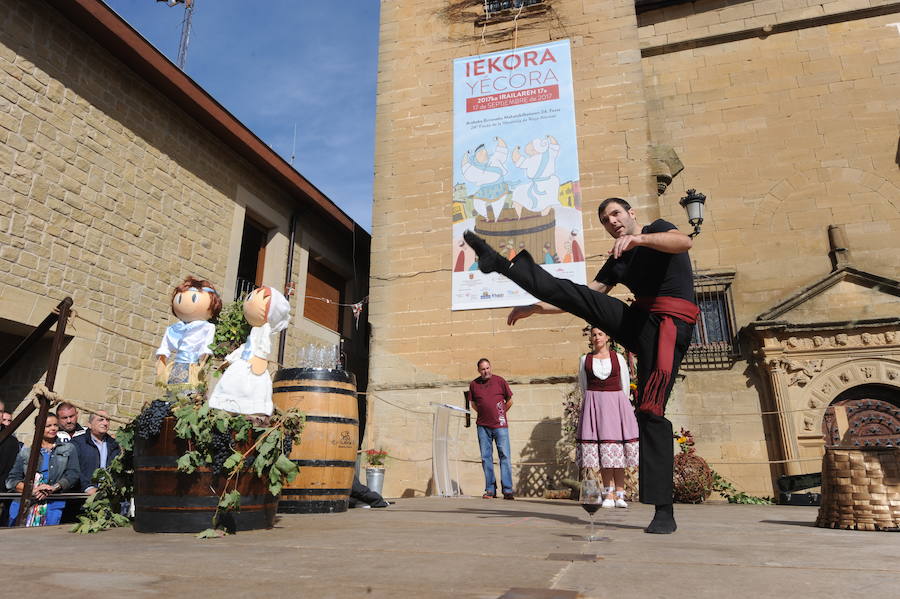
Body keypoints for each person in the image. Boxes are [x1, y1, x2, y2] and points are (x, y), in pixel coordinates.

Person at [464, 196, 698, 534]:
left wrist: (640, 239)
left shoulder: (656, 231)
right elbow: (585, 296)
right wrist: (537, 308)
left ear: (630, 214)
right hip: (640, 320)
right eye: (605, 219)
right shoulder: (619, 258)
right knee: (578, 297)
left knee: (650, 412)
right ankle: (502, 264)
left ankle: (664, 511)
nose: (612, 222)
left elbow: (683, 241)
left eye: (616, 214)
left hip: (670, 326)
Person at [577, 327, 638, 509]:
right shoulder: (584, 360)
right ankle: (608, 493)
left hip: (616, 406)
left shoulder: (617, 358)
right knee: (604, 454)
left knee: (618, 453)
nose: (597, 337)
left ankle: (620, 494)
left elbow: (625, 385)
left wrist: (621, 409)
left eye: (600, 334)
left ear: (607, 337)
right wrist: (592, 406)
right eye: (594, 335)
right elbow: (583, 386)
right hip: (595, 407)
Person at [6, 413, 81, 526]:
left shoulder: (68, 448)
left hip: (52, 503)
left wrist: (53, 488)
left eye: (55, 425)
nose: (53, 428)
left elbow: (73, 474)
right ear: (38, 428)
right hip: (25, 504)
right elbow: (11, 480)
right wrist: (33, 490)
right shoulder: (26, 452)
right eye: (48, 426)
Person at [468, 358, 515, 500]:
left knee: (505, 456)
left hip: (500, 426)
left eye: (487, 368)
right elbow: (473, 404)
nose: (485, 371)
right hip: (483, 426)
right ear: (478, 370)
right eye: (482, 369)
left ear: (490, 367)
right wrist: (484, 414)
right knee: (485, 457)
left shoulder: (500, 381)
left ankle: (507, 490)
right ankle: (490, 490)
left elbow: (510, 400)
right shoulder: (474, 384)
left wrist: (500, 413)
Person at [71, 410, 120, 495]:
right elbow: (73, 469)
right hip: (83, 497)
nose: (105, 423)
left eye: (107, 420)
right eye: (101, 420)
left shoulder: (114, 445)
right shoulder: (77, 443)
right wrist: (87, 487)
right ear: (89, 424)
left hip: (108, 496)